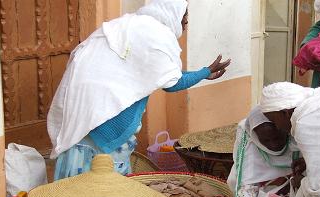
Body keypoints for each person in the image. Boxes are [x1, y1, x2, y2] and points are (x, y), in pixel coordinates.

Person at [47, 0, 231, 180]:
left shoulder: (130, 25)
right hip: (105, 114)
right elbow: (173, 83)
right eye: (184, 15)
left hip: (84, 104)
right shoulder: (157, 35)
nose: (186, 22)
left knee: (80, 177)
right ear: (172, 13)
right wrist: (204, 72)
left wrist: (202, 73)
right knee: (105, 180)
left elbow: (164, 75)